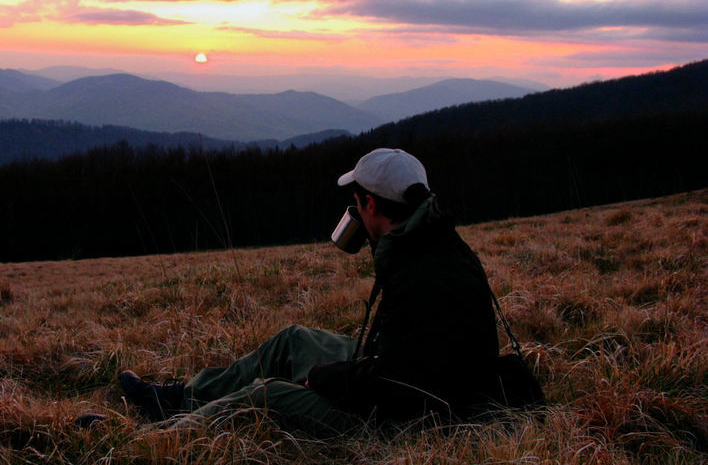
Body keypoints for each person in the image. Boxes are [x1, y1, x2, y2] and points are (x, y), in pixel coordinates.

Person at [105, 148, 500, 433]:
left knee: (268, 393)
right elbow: (409, 359)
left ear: (370, 206)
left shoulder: (420, 274)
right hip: (408, 381)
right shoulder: (435, 244)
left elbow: (403, 386)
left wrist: (331, 379)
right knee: (293, 341)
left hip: (406, 423)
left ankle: (159, 440)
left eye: (357, 202)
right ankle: (179, 399)